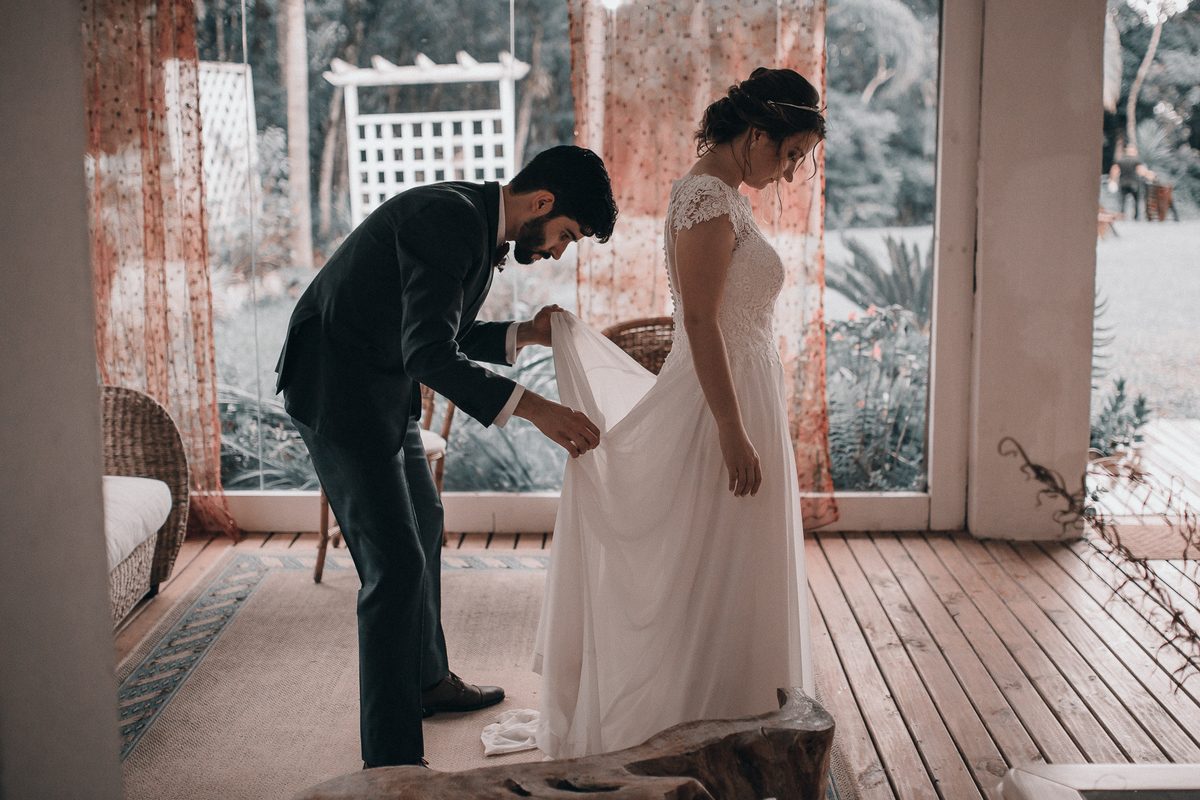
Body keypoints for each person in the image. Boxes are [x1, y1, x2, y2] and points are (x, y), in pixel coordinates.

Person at [483, 68, 825, 759]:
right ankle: (697, 713)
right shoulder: (704, 197)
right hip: (715, 406)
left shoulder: (727, 194)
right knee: (706, 560)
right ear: (756, 134)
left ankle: (739, 705)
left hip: (742, 393)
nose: (789, 174)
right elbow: (698, 320)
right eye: (789, 155)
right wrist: (731, 429)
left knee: (731, 560)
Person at [275, 145, 618, 768]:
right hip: (339, 392)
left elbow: (438, 330)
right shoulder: (453, 218)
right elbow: (429, 355)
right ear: (542, 203)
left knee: (426, 521)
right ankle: (393, 764)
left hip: (382, 386)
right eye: (566, 234)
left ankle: (428, 680)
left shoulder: (476, 216)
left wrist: (524, 334)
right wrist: (538, 409)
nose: (558, 251)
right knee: (396, 568)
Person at [1109, 144, 1155, 220]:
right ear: (1134, 151)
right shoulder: (1137, 160)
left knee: (1123, 201)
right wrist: (1150, 175)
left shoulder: (1120, 160)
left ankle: (1122, 215)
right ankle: (1136, 217)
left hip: (1123, 183)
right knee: (1136, 200)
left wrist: (1112, 179)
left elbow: (1115, 171)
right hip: (1134, 184)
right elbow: (1141, 171)